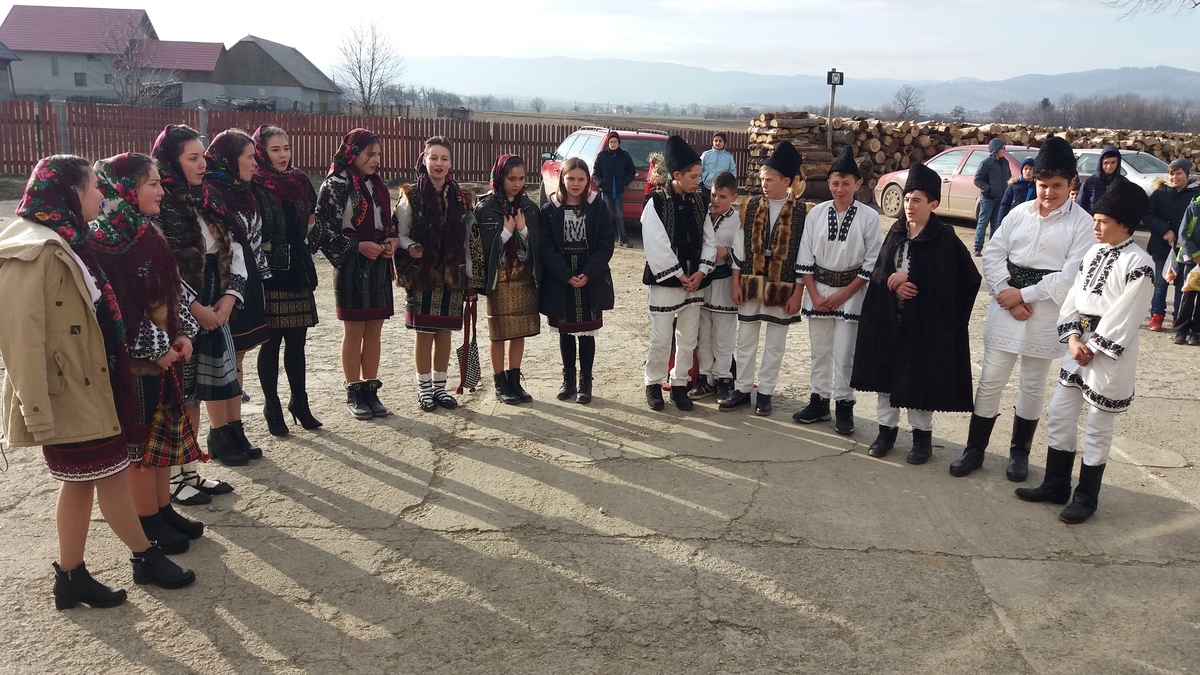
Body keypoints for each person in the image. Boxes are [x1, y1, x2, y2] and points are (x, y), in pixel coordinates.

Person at [0, 155, 195, 610]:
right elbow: (19, 336)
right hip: (70, 389)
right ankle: (145, 556)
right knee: (109, 475)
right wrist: (35, 408)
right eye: (93, 187)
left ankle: (72, 576)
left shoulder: (70, 239)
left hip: (93, 381)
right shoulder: (37, 250)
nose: (101, 195)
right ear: (71, 193)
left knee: (85, 480)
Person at [948, 137, 1095, 480]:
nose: (1048, 192)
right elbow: (993, 252)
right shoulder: (1019, 213)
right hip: (1006, 307)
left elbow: (1070, 277)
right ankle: (974, 449)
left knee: (1032, 384)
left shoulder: (1082, 224)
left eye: (1057, 185)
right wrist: (1005, 292)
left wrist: (1023, 295)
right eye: (1043, 185)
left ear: (1071, 183)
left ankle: (1019, 453)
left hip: (1045, 313)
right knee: (991, 380)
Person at [1016, 177, 1154, 524]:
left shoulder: (1140, 263)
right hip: (1079, 346)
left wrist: (1093, 345)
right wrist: (1073, 338)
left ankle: (1086, 497)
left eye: (1103, 221)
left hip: (1109, 354)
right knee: (1060, 412)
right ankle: (1055, 484)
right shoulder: (1093, 253)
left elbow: (1127, 314)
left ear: (1125, 225)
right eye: (1094, 219)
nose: (1095, 227)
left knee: (1097, 424)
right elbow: (1073, 298)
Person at [90, 153, 205, 554]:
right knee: (142, 445)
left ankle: (162, 508)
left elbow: (171, 288)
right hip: (136, 365)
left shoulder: (144, 230)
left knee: (162, 439)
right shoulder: (106, 242)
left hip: (165, 358)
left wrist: (183, 333)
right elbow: (119, 307)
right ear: (126, 190)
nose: (161, 191)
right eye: (152, 184)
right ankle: (147, 520)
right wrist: (157, 348)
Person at [851, 162, 981, 463]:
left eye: (917, 200)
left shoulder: (944, 238)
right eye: (907, 199)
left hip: (925, 324)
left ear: (933, 204)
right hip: (891, 319)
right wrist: (892, 281)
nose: (909, 206)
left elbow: (967, 279)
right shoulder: (896, 232)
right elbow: (880, 271)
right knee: (886, 379)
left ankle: (922, 438)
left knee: (919, 380)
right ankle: (886, 432)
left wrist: (917, 280)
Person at [153, 125, 251, 483]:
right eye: (192, 158)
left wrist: (230, 297)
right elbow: (162, 264)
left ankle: (191, 472)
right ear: (172, 161)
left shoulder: (208, 197)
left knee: (202, 389)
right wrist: (195, 309)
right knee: (183, 395)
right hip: (182, 310)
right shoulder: (161, 204)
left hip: (216, 303)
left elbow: (234, 247)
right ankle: (177, 479)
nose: (201, 165)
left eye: (202, 157)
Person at [251, 125, 349, 435]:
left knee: (297, 342)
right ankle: (272, 407)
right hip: (270, 273)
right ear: (261, 152)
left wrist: (310, 240)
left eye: (286, 148)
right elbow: (253, 233)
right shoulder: (254, 184)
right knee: (271, 343)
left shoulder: (300, 179)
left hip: (298, 270)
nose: (283, 155)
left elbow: (313, 221)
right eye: (275, 150)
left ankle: (300, 403)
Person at [792, 146, 883, 434]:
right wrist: (815, 296)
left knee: (845, 354)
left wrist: (843, 295)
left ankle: (844, 404)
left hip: (851, 294)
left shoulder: (869, 217)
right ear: (828, 183)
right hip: (818, 291)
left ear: (858, 184)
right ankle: (819, 402)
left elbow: (872, 262)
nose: (839, 189)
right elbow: (805, 256)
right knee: (819, 351)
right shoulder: (816, 213)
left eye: (846, 184)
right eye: (835, 183)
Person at [315, 128, 400, 419]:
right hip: (351, 263)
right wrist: (358, 247)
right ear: (352, 153)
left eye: (378, 155)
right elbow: (324, 230)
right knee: (354, 330)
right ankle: (354, 390)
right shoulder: (335, 184)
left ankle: (370, 390)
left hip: (378, 262)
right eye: (369, 154)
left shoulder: (376, 184)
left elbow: (387, 222)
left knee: (374, 328)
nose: (375, 160)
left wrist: (392, 240)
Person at [720, 142, 807, 417]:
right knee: (745, 339)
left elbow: (805, 255)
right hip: (750, 281)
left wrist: (798, 293)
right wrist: (735, 282)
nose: (764, 184)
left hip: (783, 286)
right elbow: (739, 248)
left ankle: (766, 392)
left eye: (769, 180)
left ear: (786, 181)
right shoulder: (751, 205)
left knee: (775, 344)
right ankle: (743, 389)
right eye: (762, 179)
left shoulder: (803, 212)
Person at [204, 129, 269, 460]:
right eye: (249, 157)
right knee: (222, 360)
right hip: (221, 287)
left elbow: (253, 243)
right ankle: (219, 434)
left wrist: (261, 281)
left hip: (245, 282)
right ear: (230, 160)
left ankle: (235, 427)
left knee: (237, 358)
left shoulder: (245, 192)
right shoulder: (212, 195)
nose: (255, 164)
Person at [395, 135, 472, 412]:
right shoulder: (411, 196)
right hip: (422, 273)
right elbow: (400, 234)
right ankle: (424, 390)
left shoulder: (462, 197)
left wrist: (470, 276)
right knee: (424, 332)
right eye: (434, 157)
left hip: (451, 274)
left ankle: (440, 389)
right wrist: (411, 247)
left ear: (451, 163)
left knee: (444, 332)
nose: (439, 163)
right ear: (424, 159)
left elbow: (468, 241)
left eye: (444, 158)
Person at [642, 135, 716, 412]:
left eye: (699, 176)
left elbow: (709, 239)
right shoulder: (657, 201)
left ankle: (680, 384)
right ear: (677, 175)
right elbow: (655, 241)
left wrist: (701, 271)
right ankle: (653, 383)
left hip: (694, 281)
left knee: (688, 337)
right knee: (661, 338)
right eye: (693, 176)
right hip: (667, 281)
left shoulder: (700, 202)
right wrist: (678, 274)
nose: (698, 181)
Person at [540, 157, 616, 404]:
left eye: (581, 179)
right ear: (562, 179)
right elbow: (546, 247)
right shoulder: (550, 208)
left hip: (590, 276)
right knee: (565, 331)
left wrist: (589, 272)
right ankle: (568, 380)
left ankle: (586, 381)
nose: (575, 183)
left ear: (588, 180)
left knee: (586, 332)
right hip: (561, 278)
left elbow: (606, 243)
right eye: (570, 178)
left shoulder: (597, 206)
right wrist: (565, 274)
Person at [470, 154, 541, 404]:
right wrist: (505, 233)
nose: (517, 184)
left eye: (521, 178)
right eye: (512, 178)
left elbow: (538, 246)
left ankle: (514, 379)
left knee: (518, 330)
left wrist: (522, 229)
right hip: (498, 280)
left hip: (523, 278)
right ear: (500, 177)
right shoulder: (485, 208)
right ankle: (500, 382)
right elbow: (478, 249)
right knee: (498, 331)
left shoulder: (530, 208)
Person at [689, 171, 741, 404]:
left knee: (723, 334)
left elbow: (744, 250)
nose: (716, 200)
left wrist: (727, 251)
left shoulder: (737, 220)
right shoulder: (703, 213)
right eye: (713, 195)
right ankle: (705, 378)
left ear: (734, 197)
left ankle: (724, 379)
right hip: (703, 283)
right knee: (703, 333)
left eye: (722, 196)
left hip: (725, 282)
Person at [1142, 158, 1198, 331]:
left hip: (1185, 249)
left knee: (1182, 285)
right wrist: (1165, 230)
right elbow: (1148, 215)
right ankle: (1157, 315)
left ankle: (1177, 317)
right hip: (1161, 246)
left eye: (1178, 173)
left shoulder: (1195, 194)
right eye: (1171, 174)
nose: (1174, 177)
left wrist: (1186, 237)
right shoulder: (1160, 193)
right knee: (1161, 283)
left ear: (1186, 174)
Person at [591, 131, 636, 247]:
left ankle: (623, 238)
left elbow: (631, 171)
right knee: (605, 215)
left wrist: (625, 181)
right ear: (608, 143)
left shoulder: (624, 156)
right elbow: (595, 174)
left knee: (619, 215)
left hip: (618, 191)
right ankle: (604, 237)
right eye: (611, 142)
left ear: (619, 143)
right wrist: (601, 183)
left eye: (615, 141)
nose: (613, 144)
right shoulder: (601, 156)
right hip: (605, 191)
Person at [972, 138, 1011, 256]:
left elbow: (1008, 178)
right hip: (988, 198)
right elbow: (977, 179)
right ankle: (977, 247)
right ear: (996, 149)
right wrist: (988, 189)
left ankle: (992, 248)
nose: (1004, 150)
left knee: (996, 224)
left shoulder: (1005, 163)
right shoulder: (986, 163)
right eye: (1003, 148)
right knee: (983, 222)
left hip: (1000, 198)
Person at [1174, 194, 1200, 345]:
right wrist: (1196, 255)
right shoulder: (1194, 208)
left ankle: (1197, 331)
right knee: (1188, 295)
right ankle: (1181, 330)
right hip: (1192, 260)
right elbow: (1183, 234)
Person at [1076, 145, 1122, 214]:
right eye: (1106, 163)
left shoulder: (1123, 183)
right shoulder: (1089, 183)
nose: (1109, 166)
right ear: (1101, 163)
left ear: (1118, 163)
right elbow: (1080, 208)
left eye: (1113, 162)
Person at [997, 157, 1036, 227]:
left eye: (1031, 169)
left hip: (1029, 220)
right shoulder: (1014, 186)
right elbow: (1005, 204)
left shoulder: (1036, 187)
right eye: (1026, 169)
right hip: (1014, 218)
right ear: (1022, 170)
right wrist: (1000, 222)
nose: (1028, 171)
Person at [700, 132, 737, 203]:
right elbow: (698, 168)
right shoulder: (706, 155)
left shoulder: (729, 157)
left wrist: (729, 185)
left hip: (722, 189)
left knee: (718, 206)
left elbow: (732, 172)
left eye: (720, 141)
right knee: (706, 207)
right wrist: (701, 182)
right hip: (707, 187)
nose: (717, 143)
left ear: (724, 142)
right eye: (715, 140)